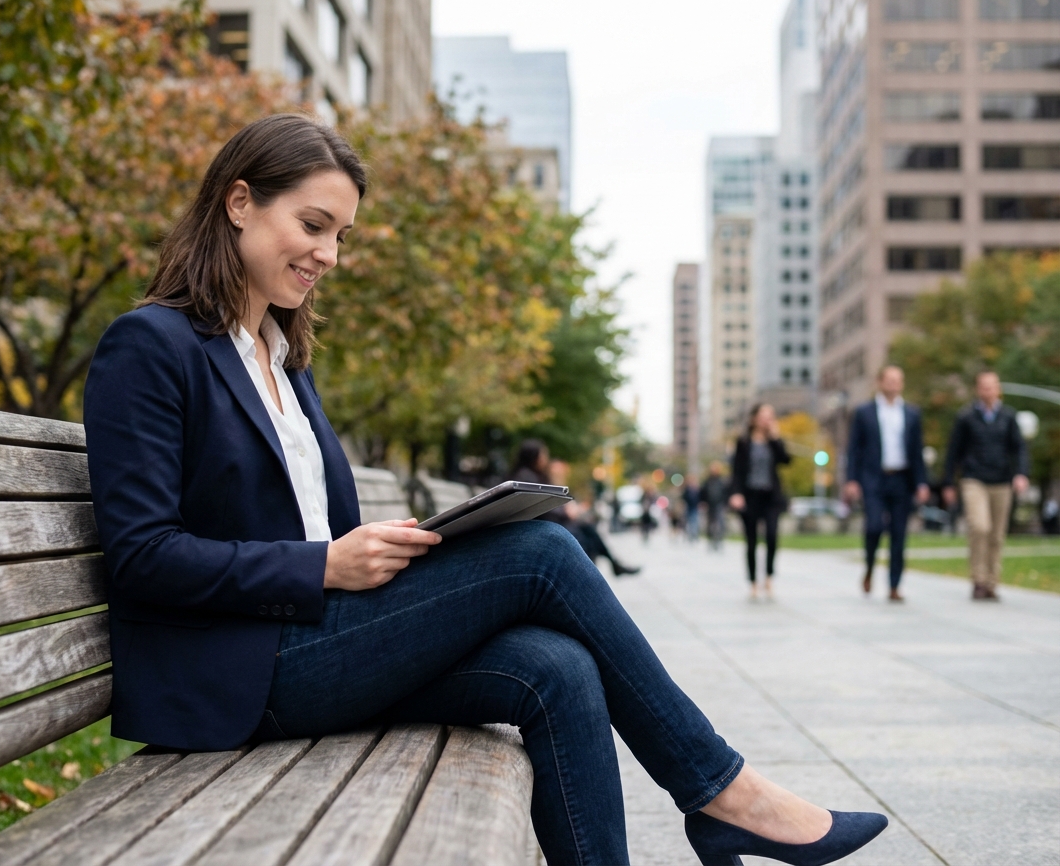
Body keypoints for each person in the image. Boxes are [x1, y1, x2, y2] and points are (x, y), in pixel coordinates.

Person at [82, 115, 887, 865]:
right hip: (237, 672)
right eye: (313, 226)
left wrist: (391, 547)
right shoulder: (152, 346)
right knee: (540, 547)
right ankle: (722, 791)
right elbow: (145, 558)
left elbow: (309, 518)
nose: (329, 254)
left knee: (558, 667)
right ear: (239, 203)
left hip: (307, 638)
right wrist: (324, 566)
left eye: (341, 235)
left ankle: (711, 801)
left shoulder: (282, 355)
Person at [843, 366, 929, 603]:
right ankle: (869, 567)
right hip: (873, 478)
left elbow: (917, 451)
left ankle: (894, 585)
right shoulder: (864, 412)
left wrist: (922, 482)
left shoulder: (912, 413)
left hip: (901, 479)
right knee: (873, 527)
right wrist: (851, 479)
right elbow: (854, 449)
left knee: (899, 534)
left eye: (898, 380)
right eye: (889, 380)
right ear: (879, 382)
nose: (894, 384)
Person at [942, 371, 1030, 601]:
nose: (988, 391)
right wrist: (948, 483)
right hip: (974, 479)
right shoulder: (966, 417)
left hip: (1002, 481)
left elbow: (1019, 448)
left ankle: (991, 582)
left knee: (997, 534)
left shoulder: (1008, 417)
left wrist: (1021, 474)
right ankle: (978, 580)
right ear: (977, 389)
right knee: (980, 527)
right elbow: (953, 452)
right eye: (984, 387)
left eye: (992, 387)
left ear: (998, 389)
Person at [511, 443, 641, 577]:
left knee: (587, 530)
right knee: (583, 533)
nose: (545, 459)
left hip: (549, 520)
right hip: (543, 523)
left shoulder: (533, 475)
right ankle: (596, 571)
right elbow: (536, 504)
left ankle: (601, 569)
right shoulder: (527, 476)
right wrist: (565, 512)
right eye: (543, 455)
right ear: (534, 456)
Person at [729, 404, 791, 600]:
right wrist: (736, 493)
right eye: (763, 416)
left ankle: (769, 578)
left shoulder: (774, 441)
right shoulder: (743, 442)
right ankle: (754, 582)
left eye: (770, 416)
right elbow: (736, 471)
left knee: (772, 536)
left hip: (771, 497)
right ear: (754, 418)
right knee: (752, 541)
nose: (767, 420)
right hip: (750, 497)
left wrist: (776, 438)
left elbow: (786, 460)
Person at [701, 461, 729, 550]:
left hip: (719, 504)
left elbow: (725, 493)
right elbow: (703, 493)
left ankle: (719, 540)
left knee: (720, 523)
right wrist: (703, 502)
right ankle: (710, 540)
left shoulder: (721, 481)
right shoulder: (707, 481)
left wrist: (725, 503)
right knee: (710, 524)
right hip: (710, 505)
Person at [683, 474, 701, 542]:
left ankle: (694, 535)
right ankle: (689, 535)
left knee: (695, 521)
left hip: (695, 507)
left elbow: (700, 497)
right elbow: (684, 497)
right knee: (689, 522)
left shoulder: (697, 489)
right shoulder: (687, 489)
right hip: (688, 507)